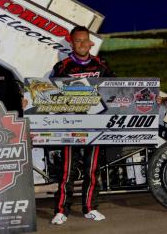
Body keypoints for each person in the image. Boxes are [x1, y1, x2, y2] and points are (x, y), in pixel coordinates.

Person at [50, 26, 115, 225]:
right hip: (71, 126)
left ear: (90, 42)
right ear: (71, 43)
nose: (81, 44)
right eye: (77, 41)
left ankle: (90, 208)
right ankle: (61, 210)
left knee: (92, 169)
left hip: (95, 126)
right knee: (67, 170)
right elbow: (50, 96)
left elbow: (118, 89)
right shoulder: (63, 67)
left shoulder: (101, 65)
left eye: (84, 40)